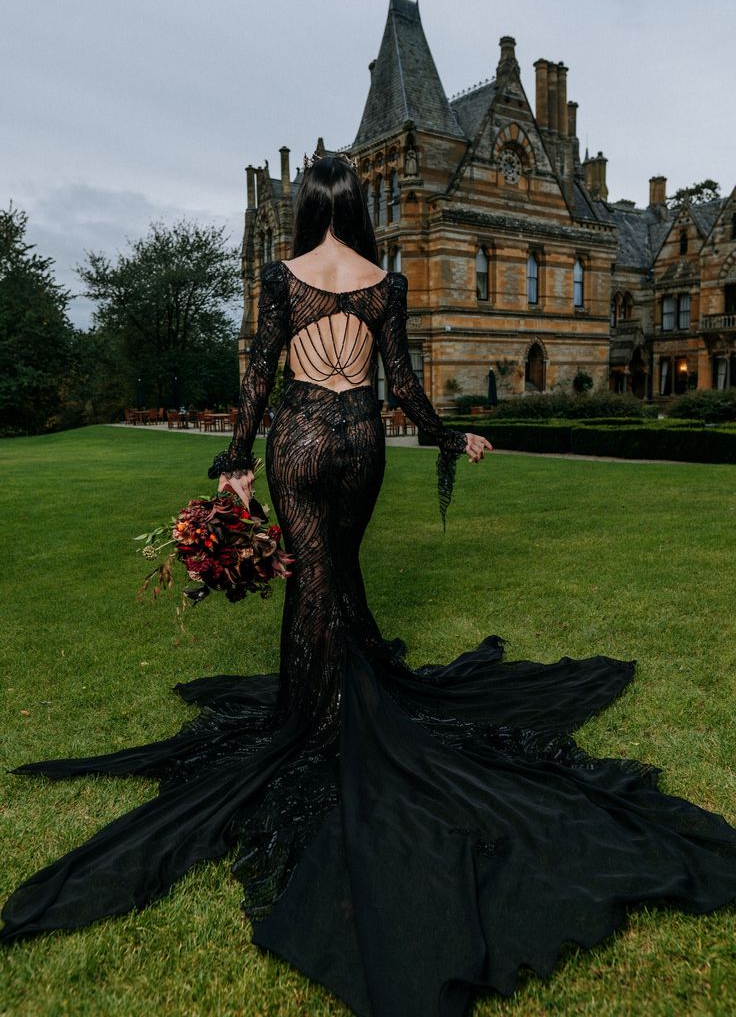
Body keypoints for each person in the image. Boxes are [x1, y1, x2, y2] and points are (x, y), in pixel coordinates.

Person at [2, 156, 735, 1017]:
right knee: (335, 571)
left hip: (301, 438)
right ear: (359, 206)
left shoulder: (282, 278)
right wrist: (449, 436)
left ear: (310, 209)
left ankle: (313, 721)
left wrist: (237, 461)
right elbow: (407, 384)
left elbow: (261, 377)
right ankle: (332, 704)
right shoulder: (385, 283)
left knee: (312, 581)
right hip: (361, 443)